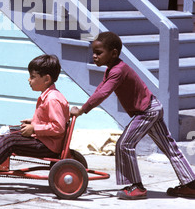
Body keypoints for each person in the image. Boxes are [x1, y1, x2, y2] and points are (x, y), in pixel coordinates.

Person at [71, 31, 195, 200]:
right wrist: (84, 106)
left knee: (124, 144)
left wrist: (82, 110)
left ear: (113, 53)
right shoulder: (112, 69)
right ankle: (191, 185)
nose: (94, 56)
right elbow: (101, 89)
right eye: (94, 52)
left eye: (99, 53)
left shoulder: (118, 71)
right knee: (169, 147)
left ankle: (136, 187)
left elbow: (103, 94)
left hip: (146, 111)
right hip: (152, 107)